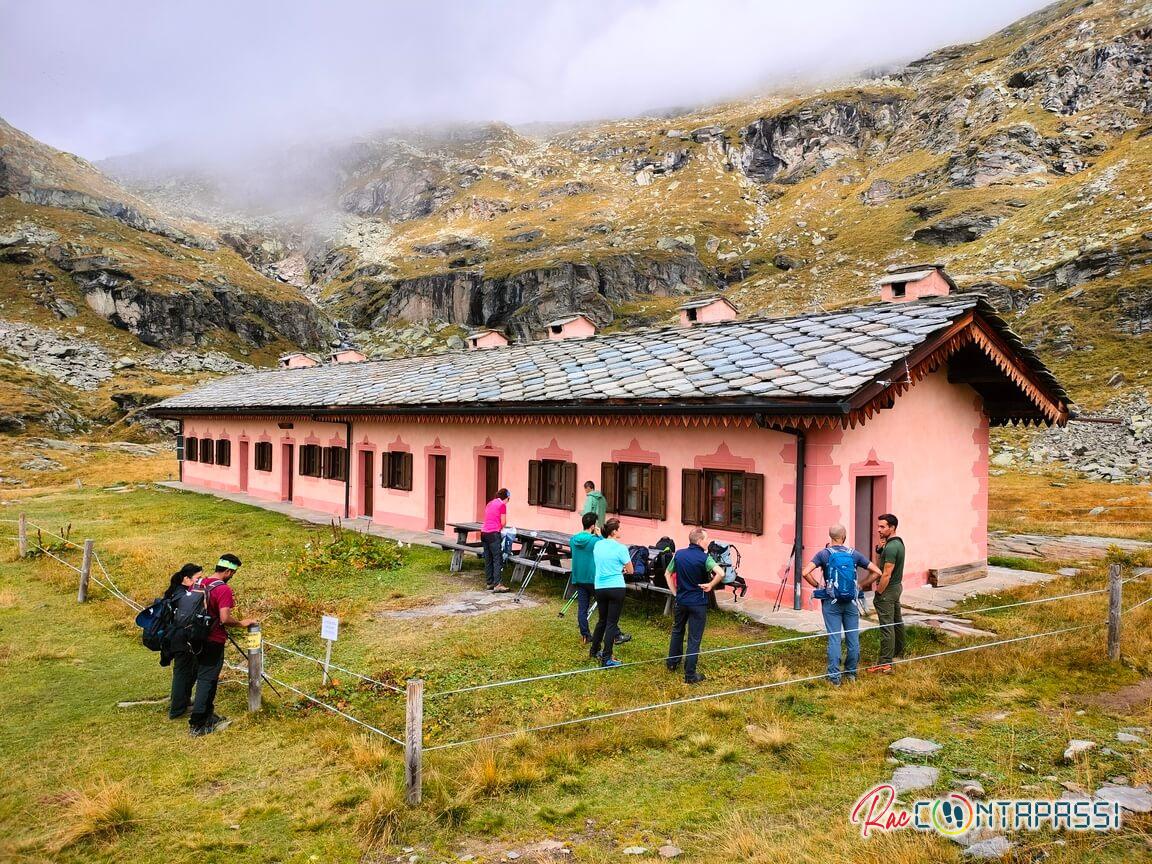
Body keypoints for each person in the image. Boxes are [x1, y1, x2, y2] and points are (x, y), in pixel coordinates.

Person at [184, 554, 257, 736]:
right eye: (233, 573)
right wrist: (242, 623)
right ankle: (198, 724)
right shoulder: (223, 589)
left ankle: (209, 715)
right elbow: (224, 618)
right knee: (207, 680)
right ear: (228, 571)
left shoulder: (199, 583)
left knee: (205, 677)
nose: (232, 576)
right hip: (212, 640)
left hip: (194, 638)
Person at [801, 526, 884, 685]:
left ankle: (834, 678)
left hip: (831, 603)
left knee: (834, 638)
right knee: (853, 637)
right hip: (851, 603)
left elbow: (805, 572)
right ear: (844, 537)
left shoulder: (823, 554)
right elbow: (877, 572)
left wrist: (819, 587)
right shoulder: (854, 554)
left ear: (830, 536)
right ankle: (851, 674)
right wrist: (861, 585)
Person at [664, 528, 725, 684]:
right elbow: (721, 573)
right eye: (706, 539)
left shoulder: (679, 554)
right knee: (694, 639)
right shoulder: (705, 558)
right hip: (698, 603)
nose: (708, 542)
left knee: (677, 630)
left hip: (682, 600)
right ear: (699, 541)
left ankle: (672, 663)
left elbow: (667, 574)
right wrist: (710, 585)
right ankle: (690, 674)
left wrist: (675, 592)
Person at [590, 518, 632, 668]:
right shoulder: (621, 548)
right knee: (611, 623)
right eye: (619, 529)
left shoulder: (597, 545)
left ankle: (594, 650)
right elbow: (631, 569)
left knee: (602, 620)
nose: (620, 532)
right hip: (616, 587)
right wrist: (623, 569)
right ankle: (607, 658)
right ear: (614, 531)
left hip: (600, 586)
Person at [869, 514, 906, 674]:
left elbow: (885, 574)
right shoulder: (897, 543)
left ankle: (885, 663)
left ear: (892, 528)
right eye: (878, 526)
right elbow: (879, 564)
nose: (878, 529)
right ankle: (899, 652)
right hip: (896, 587)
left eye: (882, 527)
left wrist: (878, 592)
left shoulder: (891, 548)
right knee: (897, 621)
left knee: (886, 626)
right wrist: (879, 550)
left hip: (888, 589)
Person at [166, 563, 203, 716]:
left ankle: (182, 701)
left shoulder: (176, 592)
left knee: (188, 670)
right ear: (186, 579)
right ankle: (177, 709)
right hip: (181, 638)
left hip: (176, 637)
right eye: (198, 578)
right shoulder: (183, 596)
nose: (200, 581)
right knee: (182, 671)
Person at [569, 512, 601, 644]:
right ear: (593, 526)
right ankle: (615, 633)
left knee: (582, 608)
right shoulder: (595, 541)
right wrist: (600, 536)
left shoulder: (573, 539)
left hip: (578, 577)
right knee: (605, 606)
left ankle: (585, 635)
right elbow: (606, 547)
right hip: (593, 578)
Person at [481, 488, 511, 593]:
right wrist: (500, 528)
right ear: (506, 498)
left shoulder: (490, 503)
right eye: (508, 499)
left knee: (488, 558)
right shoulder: (502, 505)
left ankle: (489, 583)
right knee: (497, 558)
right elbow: (503, 522)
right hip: (493, 534)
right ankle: (497, 584)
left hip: (484, 533)